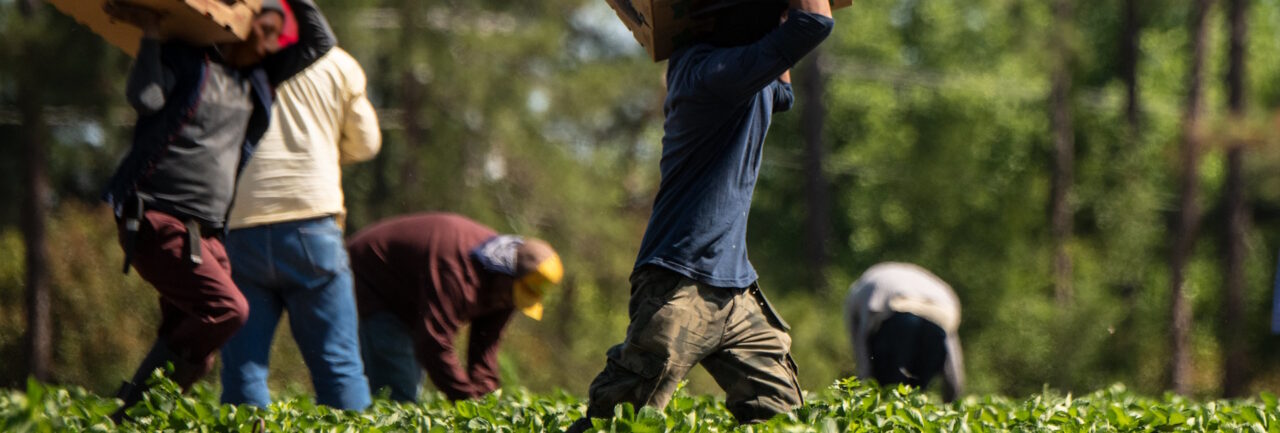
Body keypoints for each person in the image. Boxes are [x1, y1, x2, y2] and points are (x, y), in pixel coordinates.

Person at [567, 0, 834, 430]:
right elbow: (814, 22)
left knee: (782, 416)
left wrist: (781, 13)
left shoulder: (746, 75)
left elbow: (782, 90)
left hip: (735, 290)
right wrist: (792, 18)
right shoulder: (706, 71)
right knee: (619, 420)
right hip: (680, 286)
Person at [100, 0, 334, 419]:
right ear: (240, 26)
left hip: (208, 234)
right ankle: (131, 418)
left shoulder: (258, 80)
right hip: (159, 219)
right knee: (228, 311)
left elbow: (320, 41)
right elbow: (144, 97)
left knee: (195, 347)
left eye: (275, 37)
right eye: (263, 29)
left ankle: (131, 419)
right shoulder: (187, 61)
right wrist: (151, 35)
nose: (268, 42)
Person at [217, 23, 381, 410]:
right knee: (338, 367)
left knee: (244, 370)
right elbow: (368, 142)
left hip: (241, 225)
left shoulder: (231, 59)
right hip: (311, 224)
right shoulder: (336, 63)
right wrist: (326, 152)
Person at [346, 213, 563, 402]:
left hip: (410, 302)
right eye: (512, 295)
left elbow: (484, 350)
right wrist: (467, 400)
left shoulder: (505, 290)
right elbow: (432, 342)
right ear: (505, 271)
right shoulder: (458, 270)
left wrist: (486, 406)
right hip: (370, 280)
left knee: (408, 386)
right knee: (399, 391)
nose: (509, 302)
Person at [844, 262, 964, 402]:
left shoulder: (858, 290)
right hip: (937, 316)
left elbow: (861, 337)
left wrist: (865, 378)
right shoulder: (936, 287)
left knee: (888, 390)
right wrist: (953, 396)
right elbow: (951, 351)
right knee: (915, 393)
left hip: (898, 316)